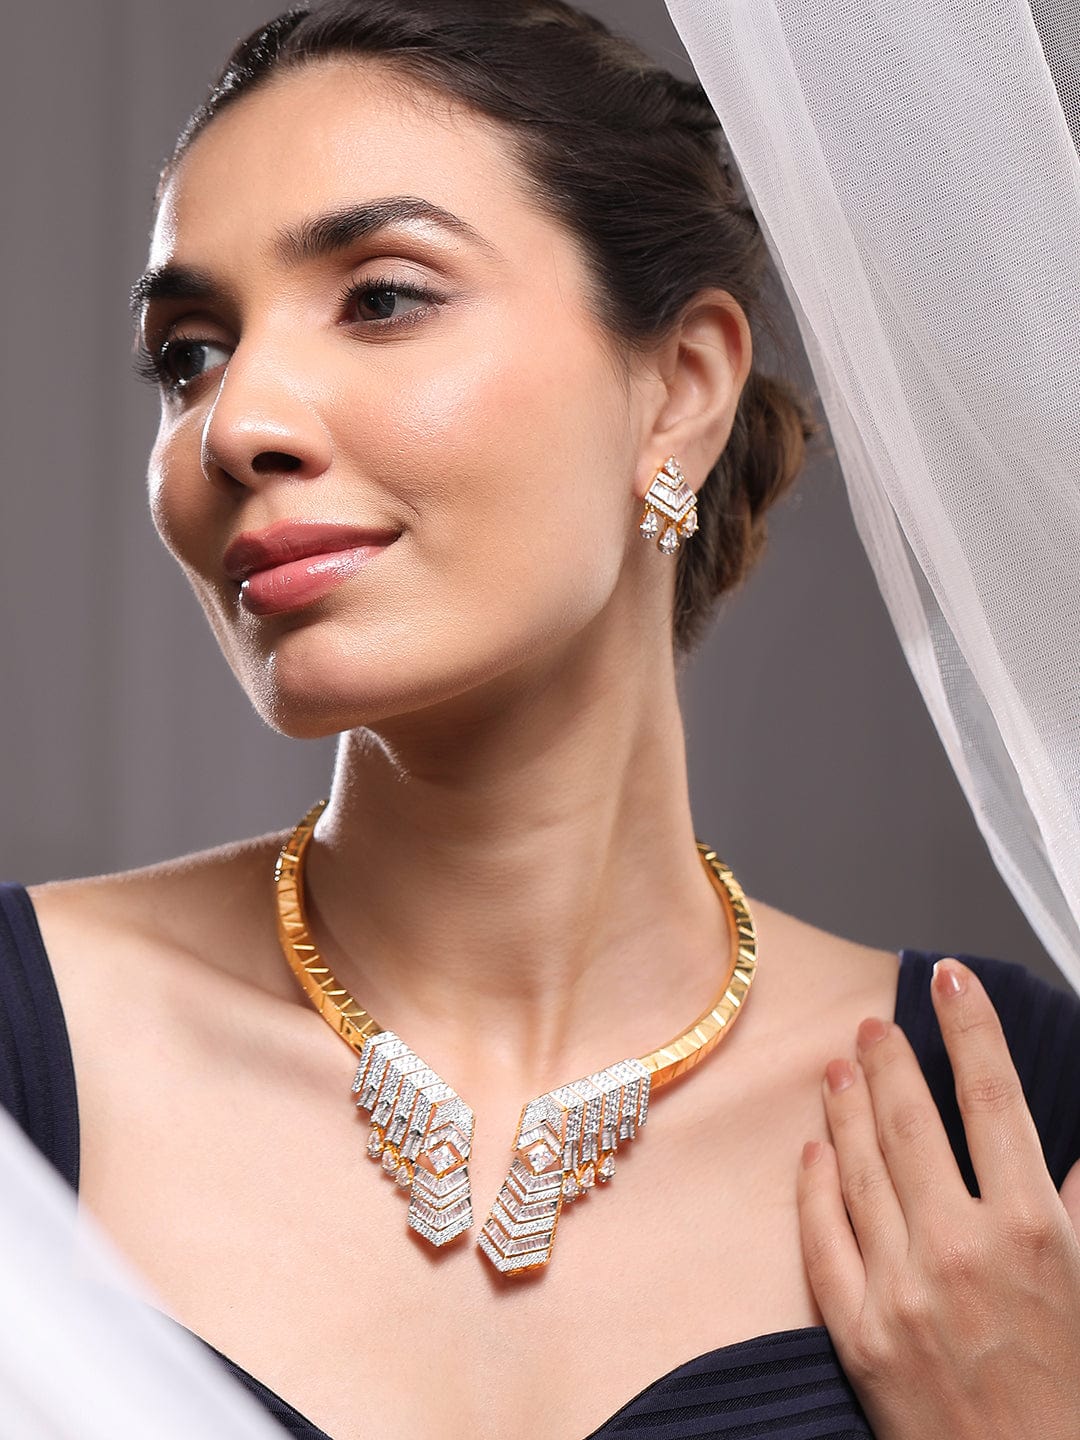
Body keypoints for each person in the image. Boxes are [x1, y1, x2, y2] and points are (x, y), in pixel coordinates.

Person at [1, 2, 1078, 1437]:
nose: (236, 421)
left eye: (383, 298)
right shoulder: (19, 1054)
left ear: (681, 389)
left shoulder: (1015, 1116)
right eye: (189, 352)